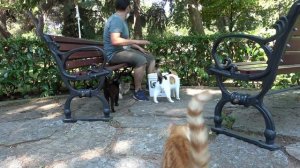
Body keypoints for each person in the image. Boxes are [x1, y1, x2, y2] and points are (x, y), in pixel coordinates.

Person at [103, 0, 156, 101]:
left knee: (150, 58)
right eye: (130, 5)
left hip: (120, 52)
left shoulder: (121, 20)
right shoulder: (116, 20)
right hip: (113, 55)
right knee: (141, 60)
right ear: (128, 7)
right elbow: (115, 40)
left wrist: (139, 47)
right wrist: (139, 41)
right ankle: (137, 91)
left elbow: (125, 41)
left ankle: (151, 87)